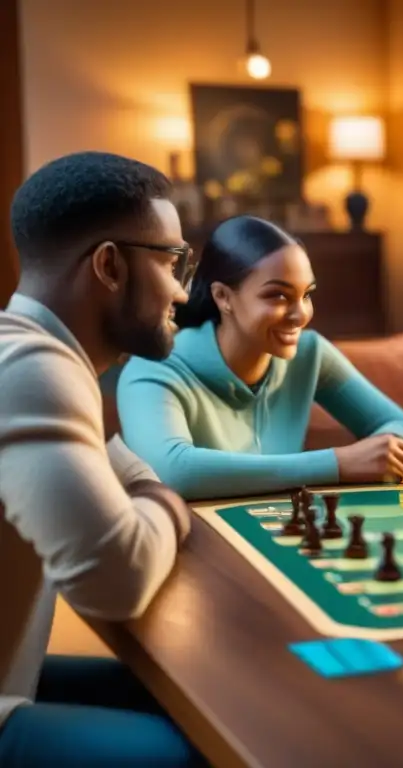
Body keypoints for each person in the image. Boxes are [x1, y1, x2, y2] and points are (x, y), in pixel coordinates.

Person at [0, 151, 204, 765]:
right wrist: (167, 503)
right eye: (173, 262)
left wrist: (146, 491)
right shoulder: (33, 369)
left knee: (188, 700)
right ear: (110, 264)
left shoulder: (32, 353)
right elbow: (117, 581)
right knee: (207, 755)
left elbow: (122, 464)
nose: (182, 290)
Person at [116, 215, 403, 501]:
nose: (299, 315)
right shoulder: (154, 367)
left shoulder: (310, 354)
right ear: (223, 296)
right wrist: (338, 463)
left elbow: (396, 422)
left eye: (305, 294)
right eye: (277, 295)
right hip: (200, 548)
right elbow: (173, 472)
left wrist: (390, 450)